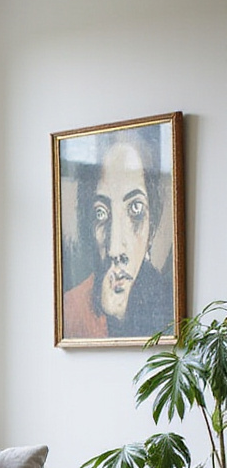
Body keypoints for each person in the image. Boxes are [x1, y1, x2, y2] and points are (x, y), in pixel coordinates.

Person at [62, 126, 173, 340]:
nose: (115, 249)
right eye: (101, 213)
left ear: (151, 226)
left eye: (135, 209)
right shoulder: (72, 309)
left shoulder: (170, 303)